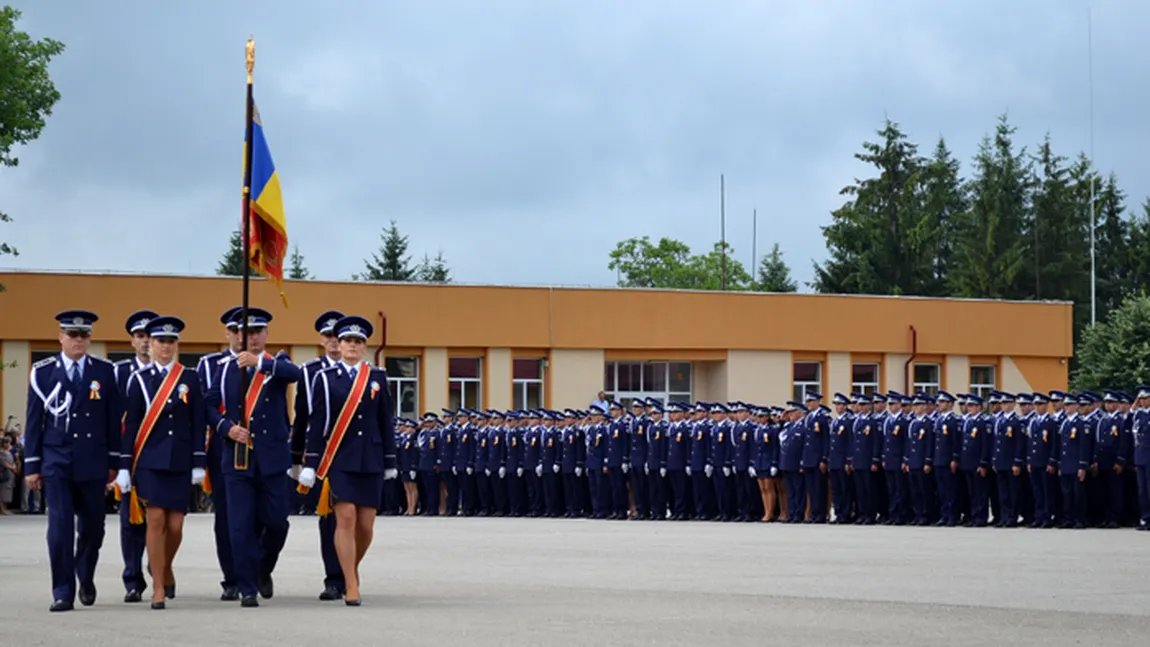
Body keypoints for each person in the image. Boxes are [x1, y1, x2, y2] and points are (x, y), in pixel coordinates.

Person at [25, 310, 122, 611]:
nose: (79, 340)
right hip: (57, 461)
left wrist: (113, 462)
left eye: (84, 335)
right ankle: (63, 591)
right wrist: (31, 465)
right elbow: (33, 421)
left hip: (92, 462)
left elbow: (111, 419)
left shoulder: (104, 371)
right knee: (60, 527)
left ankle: (85, 574)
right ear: (61, 337)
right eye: (72, 334)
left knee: (94, 528)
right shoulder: (42, 372)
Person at [299, 315, 398, 606]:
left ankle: (350, 569)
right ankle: (350, 584)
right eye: (347, 341)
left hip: (371, 458)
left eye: (358, 341)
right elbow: (317, 423)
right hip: (339, 458)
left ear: (364, 346)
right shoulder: (325, 379)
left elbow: (385, 421)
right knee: (345, 517)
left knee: (366, 525)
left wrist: (391, 459)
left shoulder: (377, 377)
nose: (352, 346)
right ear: (338, 345)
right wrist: (310, 463)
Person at [205, 307, 301, 608]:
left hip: (272, 458)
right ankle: (247, 586)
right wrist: (226, 428)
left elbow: (294, 374)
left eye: (259, 332)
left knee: (276, 522)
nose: (253, 337)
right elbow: (208, 407)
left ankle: (263, 567)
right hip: (236, 458)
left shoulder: (276, 363)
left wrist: (259, 363)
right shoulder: (223, 368)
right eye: (247, 333)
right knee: (239, 524)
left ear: (266, 335)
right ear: (238, 335)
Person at [116, 316, 206, 610]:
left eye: (170, 341)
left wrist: (198, 462)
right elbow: (131, 426)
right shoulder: (139, 379)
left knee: (176, 525)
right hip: (149, 461)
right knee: (155, 521)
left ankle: (164, 566)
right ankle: (156, 585)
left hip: (180, 461)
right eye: (159, 341)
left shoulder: (189, 378)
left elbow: (197, 422)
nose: (165, 347)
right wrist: (124, 467)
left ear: (176, 345)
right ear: (151, 344)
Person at [290, 310, 347, 601]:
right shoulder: (310, 372)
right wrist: (297, 458)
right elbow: (302, 417)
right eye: (328, 337)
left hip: (355, 452)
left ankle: (350, 571)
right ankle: (335, 578)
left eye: (338, 337)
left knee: (358, 520)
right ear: (321, 340)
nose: (334, 342)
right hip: (324, 452)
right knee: (329, 519)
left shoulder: (363, 371)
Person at [195, 306, 242, 601]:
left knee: (258, 515)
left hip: (256, 449)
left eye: (246, 330)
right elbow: (203, 410)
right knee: (225, 515)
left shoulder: (265, 362)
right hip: (222, 447)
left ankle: (253, 567)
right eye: (235, 330)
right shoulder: (210, 364)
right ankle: (231, 577)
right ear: (227, 333)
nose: (240, 336)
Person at [111, 309, 156, 603]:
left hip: (160, 457)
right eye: (140, 336)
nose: (145, 342)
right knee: (130, 521)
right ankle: (132, 578)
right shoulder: (119, 373)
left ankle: (160, 570)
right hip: (131, 456)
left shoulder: (172, 372)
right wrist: (116, 463)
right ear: (131, 341)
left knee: (160, 519)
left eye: (150, 337)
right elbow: (112, 419)